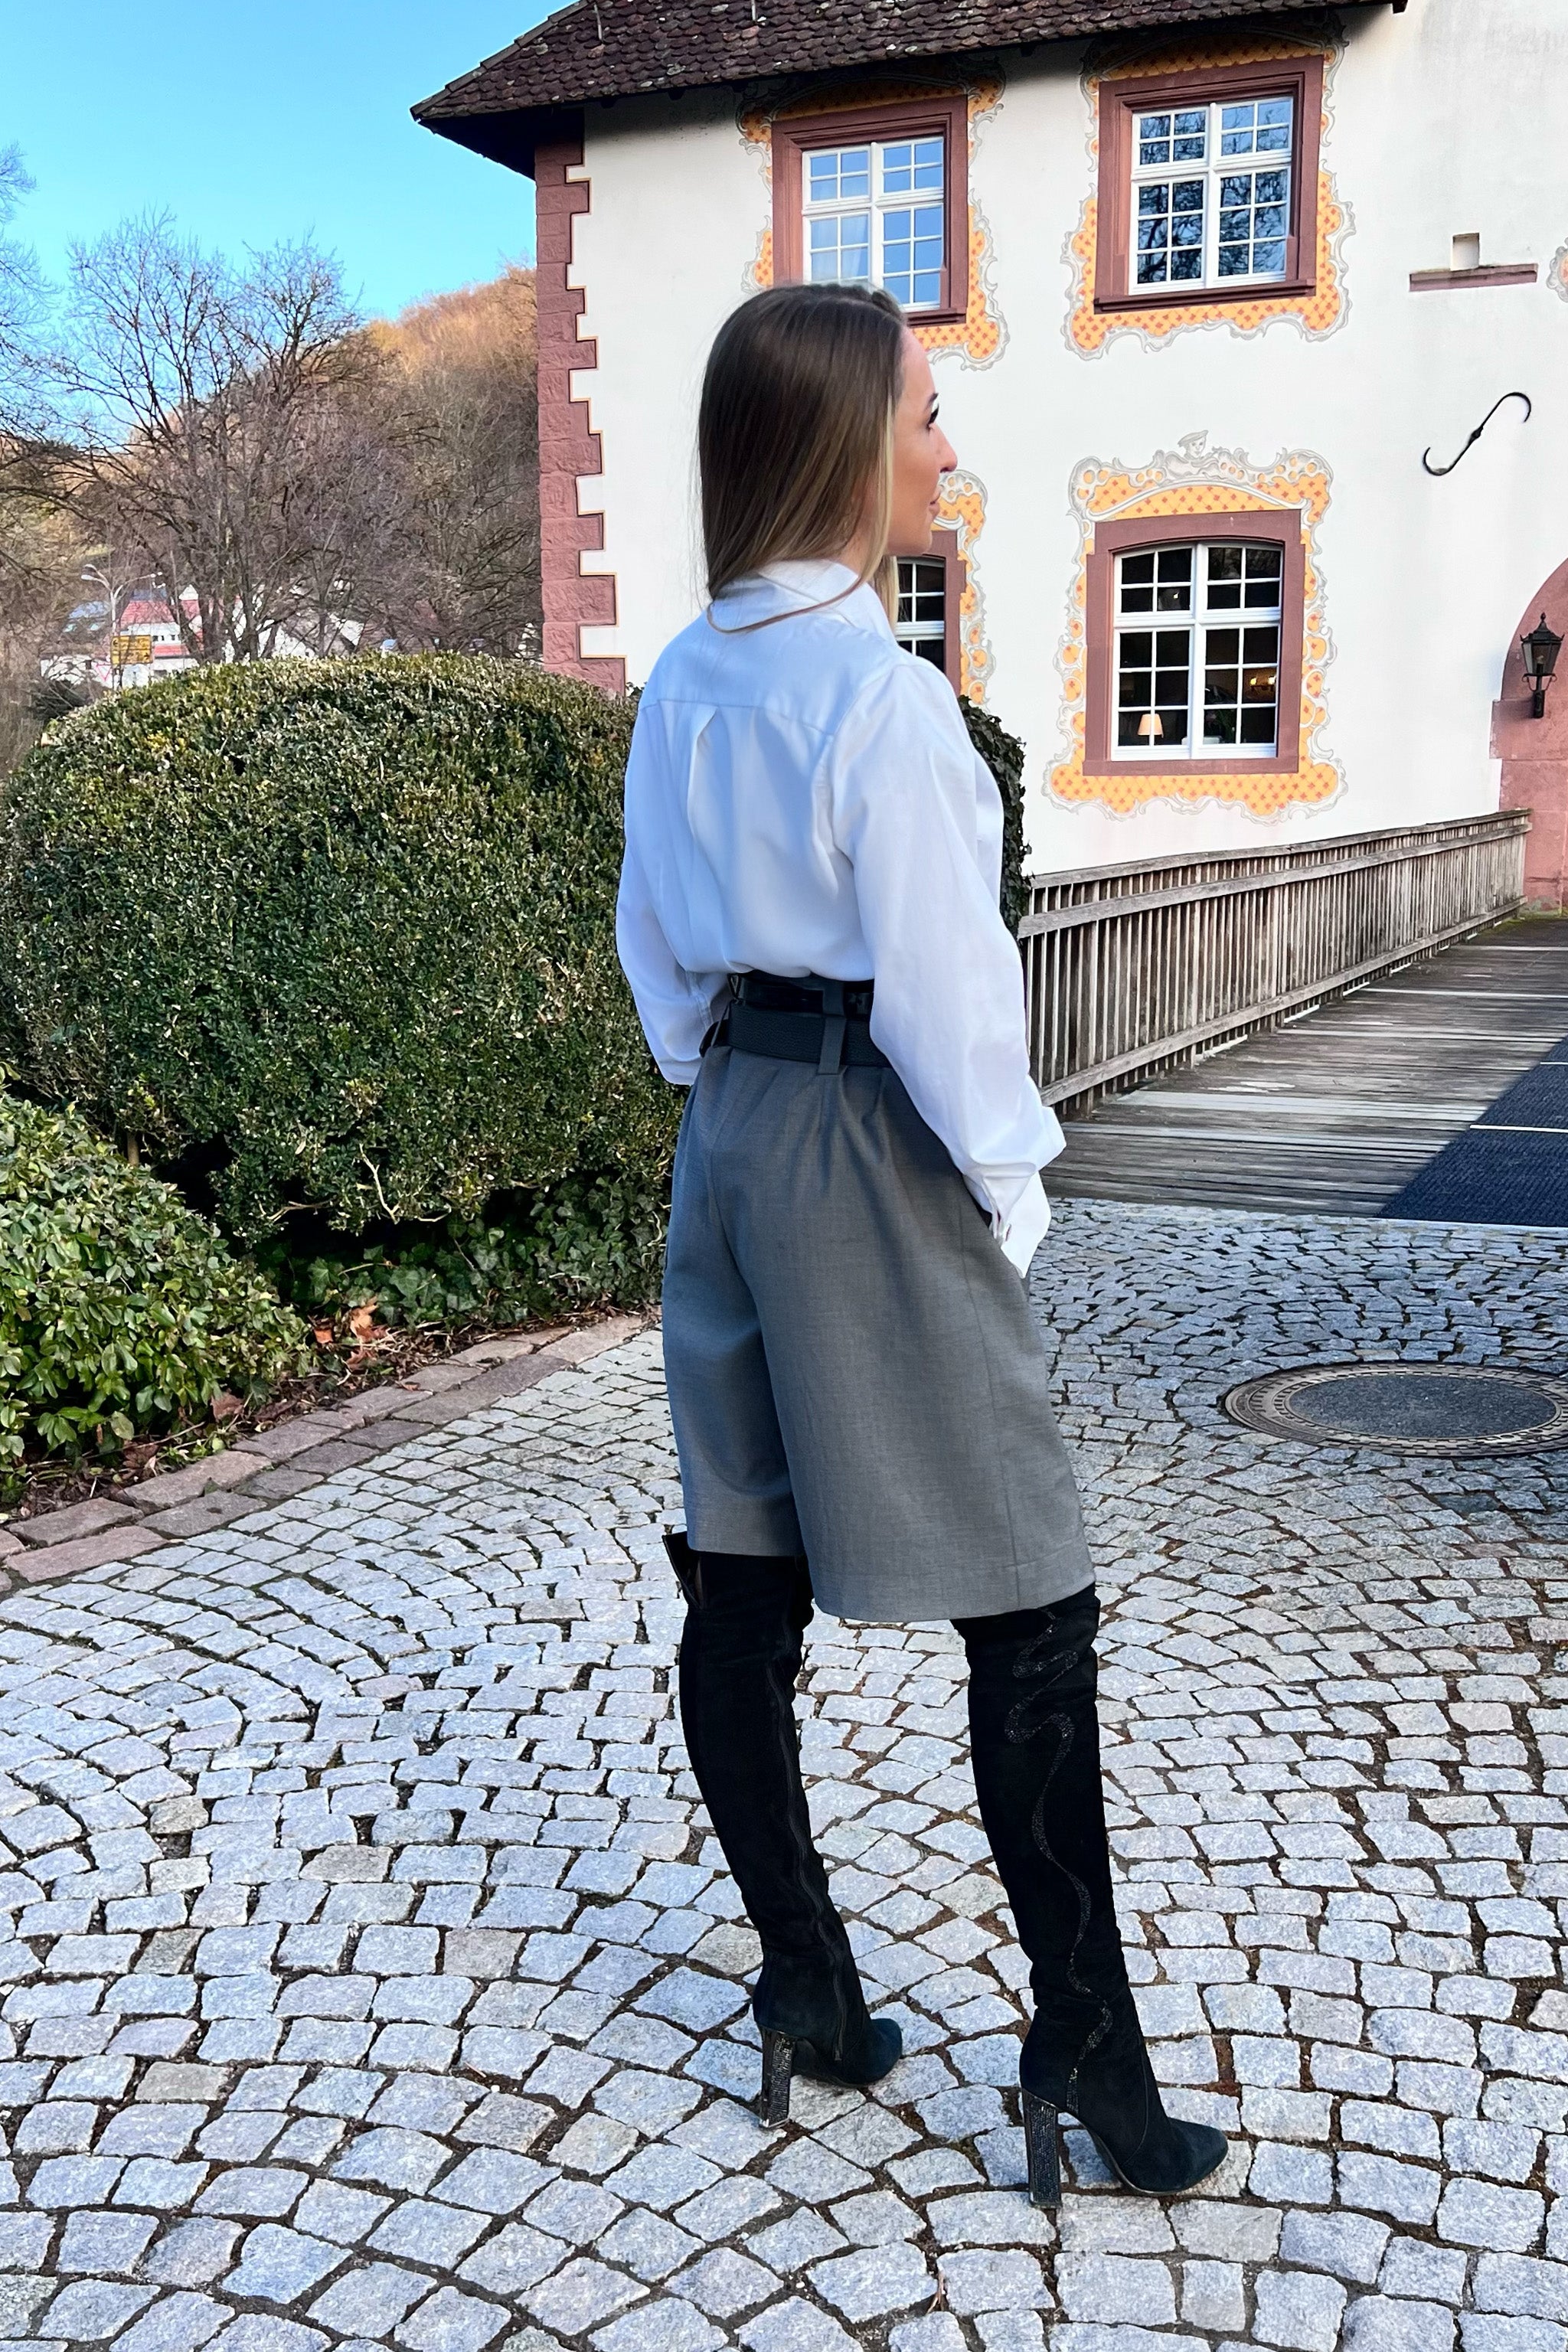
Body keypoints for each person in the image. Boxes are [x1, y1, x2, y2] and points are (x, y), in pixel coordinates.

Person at [615, 281, 1225, 2207]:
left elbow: (653, 955)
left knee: (739, 1566)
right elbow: (955, 1001)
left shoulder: (682, 683)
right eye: (927, 415)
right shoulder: (879, 700)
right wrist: (1009, 1189)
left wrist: (733, 1096)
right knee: (1030, 1599)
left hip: (728, 1122)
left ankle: (807, 1985)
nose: (946, 447)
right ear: (844, 444)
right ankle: (1086, 2063)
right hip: (874, 1133)